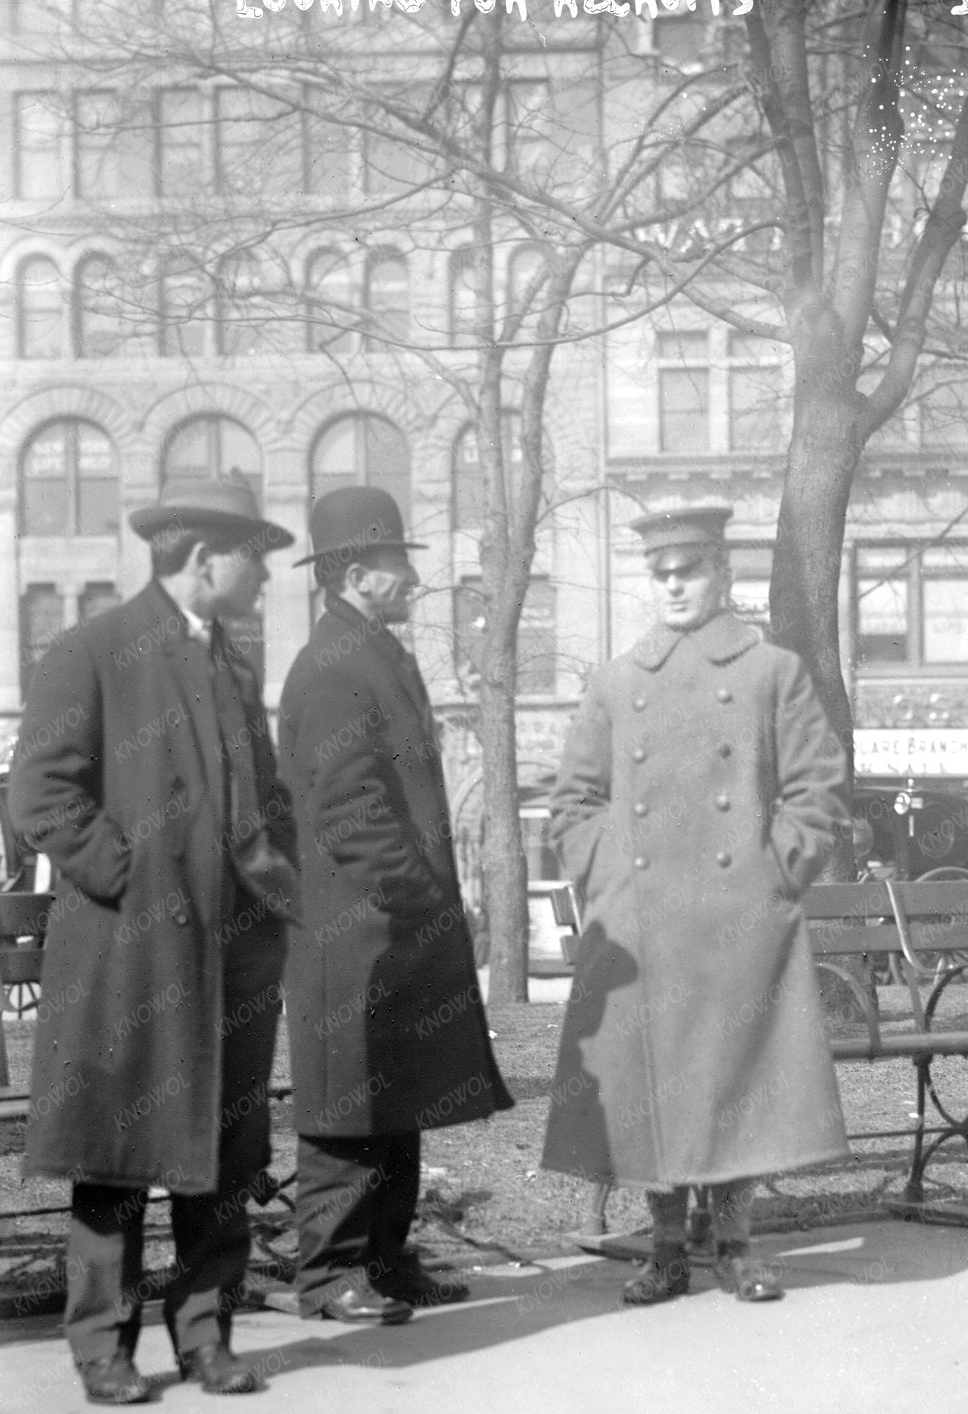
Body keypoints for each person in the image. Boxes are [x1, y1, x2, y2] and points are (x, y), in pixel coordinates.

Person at [8, 473, 299, 1404]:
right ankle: (103, 1349)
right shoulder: (91, 649)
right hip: (131, 954)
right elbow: (42, 795)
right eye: (256, 558)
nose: (264, 577)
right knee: (117, 1155)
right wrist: (136, 883)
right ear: (203, 556)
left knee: (222, 1149)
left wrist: (280, 887)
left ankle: (207, 1338)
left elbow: (263, 801)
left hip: (232, 953)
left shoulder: (232, 662)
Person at [541, 506, 851, 1305]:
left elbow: (820, 791)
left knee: (733, 1079)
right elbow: (573, 800)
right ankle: (667, 1246)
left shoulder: (770, 671)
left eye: (691, 570)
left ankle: (738, 1244)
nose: (674, 585)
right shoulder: (616, 680)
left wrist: (770, 871)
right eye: (661, 572)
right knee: (654, 1091)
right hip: (644, 923)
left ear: (723, 574)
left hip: (735, 917)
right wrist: (612, 877)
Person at [280, 486, 513, 1321]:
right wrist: (422, 897)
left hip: (391, 928)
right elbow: (352, 817)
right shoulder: (335, 668)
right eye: (397, 561)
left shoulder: (370, 653)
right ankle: (328, 1275)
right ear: (354, 575)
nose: (413, 577)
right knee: (347, 1110)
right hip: (358, 933)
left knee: (395, 1099)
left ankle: (383, 1258)